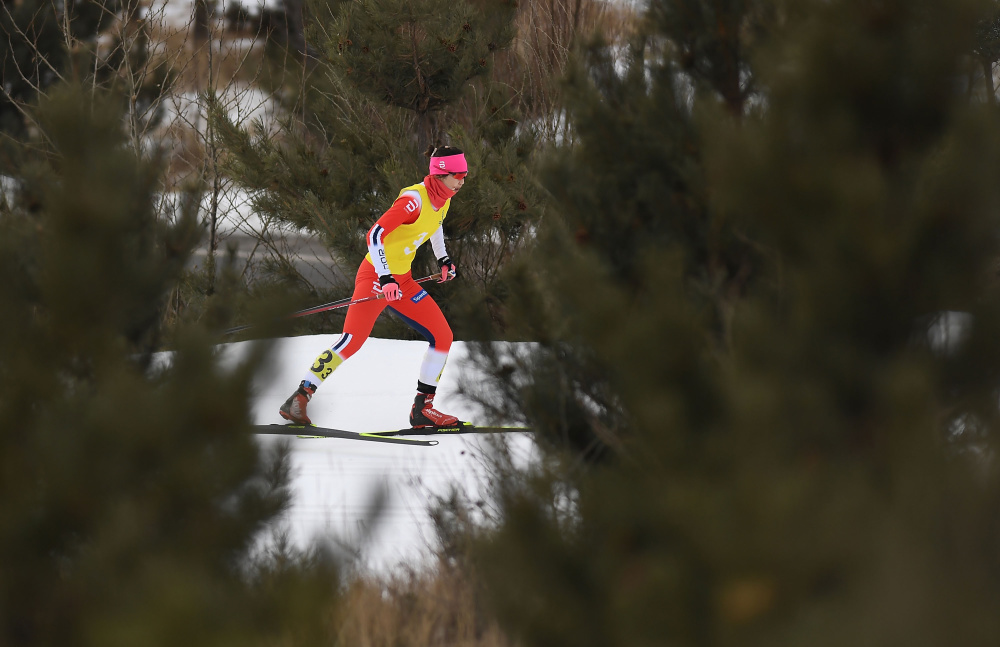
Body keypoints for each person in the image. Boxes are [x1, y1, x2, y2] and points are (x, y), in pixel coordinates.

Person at [279, 145, 468, 428]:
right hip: (377, 278)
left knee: (443, 336)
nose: (462, 180)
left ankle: (422, 409)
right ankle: (301, 395)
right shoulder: (413, 201)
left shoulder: (444, 197)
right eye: (458, 174)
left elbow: (436, 223)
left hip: (402, 280)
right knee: (352, 340)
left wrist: (443, 259)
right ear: (440, 174)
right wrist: (385, 278)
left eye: (465, 174)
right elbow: (375, 234)